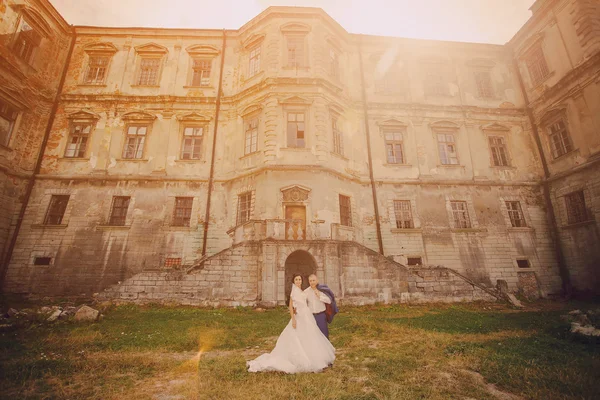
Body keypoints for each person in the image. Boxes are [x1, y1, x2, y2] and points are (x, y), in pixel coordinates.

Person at [247, 274, 335, 373]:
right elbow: (291, 306)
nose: (298, 281)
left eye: (300, 279)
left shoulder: (304, 291)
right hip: (299, 317)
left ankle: (316, 357)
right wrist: (293, 318)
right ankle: (303, 359)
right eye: (296, 279)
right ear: (294, 281)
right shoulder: (294, 292)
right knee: (298, 337)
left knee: (310, 337)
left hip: (307, 315)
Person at [305, 274, 332, 338]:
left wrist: (320, 296)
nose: (312, 282)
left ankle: (326, 348)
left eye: (313, 280)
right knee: (312, 335)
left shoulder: (322, 290)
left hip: (321, 315)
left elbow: (329, 301)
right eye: (310, 281)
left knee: (324, 334)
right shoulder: (306, 291)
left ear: (317, 281)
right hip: (311, 316)